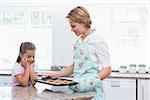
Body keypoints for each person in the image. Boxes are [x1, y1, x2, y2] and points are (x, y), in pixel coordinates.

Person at [43, 6, 111, 100]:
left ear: (82, 22)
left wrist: (88, 83)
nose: (71, 29)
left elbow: (107, 69)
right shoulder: (78, 42)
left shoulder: (97, 41)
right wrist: (55, 75)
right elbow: (74, 67)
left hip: (92, 92)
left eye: (73, 26)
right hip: (78, 90)